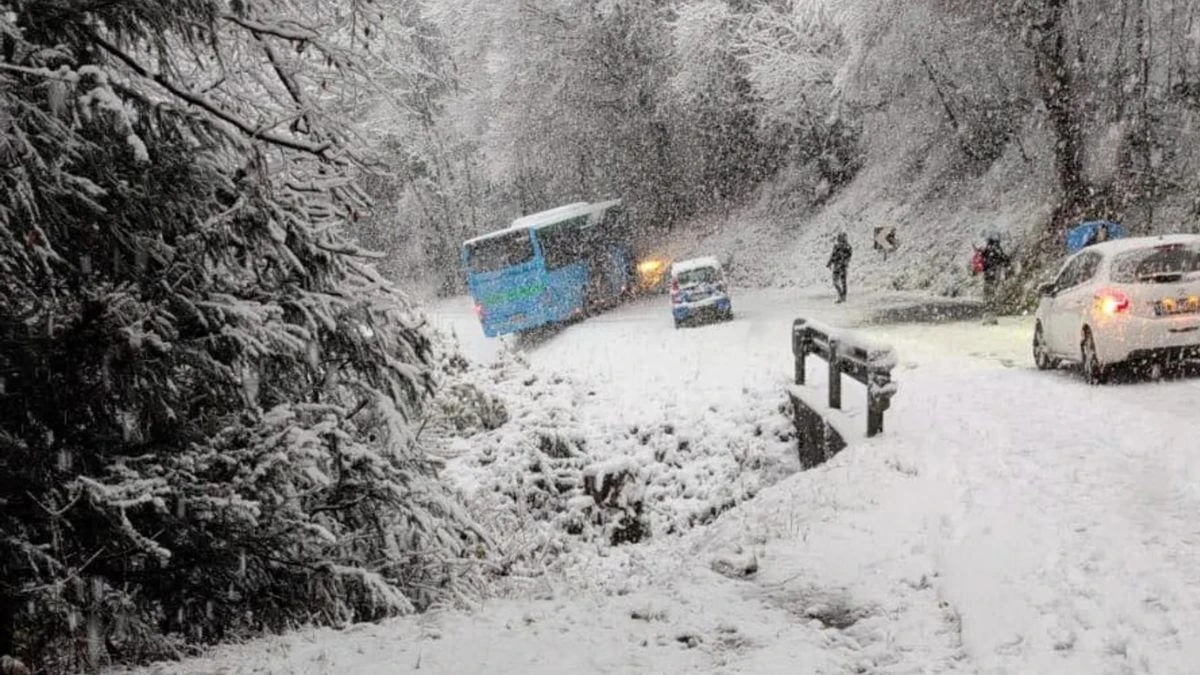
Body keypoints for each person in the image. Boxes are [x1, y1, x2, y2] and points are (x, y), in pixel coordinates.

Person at [979, 235, 1011, 324]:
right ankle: (992, 317)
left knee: (987, 296)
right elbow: (1005, 260)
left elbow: (982, 262)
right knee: (992, 296)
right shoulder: (997, 250)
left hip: (987, 277)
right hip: (994, 277)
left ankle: (986, 316)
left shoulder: (986, 250)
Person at [827, 233, 852, 303]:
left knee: (843, 282)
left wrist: (845, 262)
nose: (840, 240)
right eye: (839, 238)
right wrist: (830, 263)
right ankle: (841, 295)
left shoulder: (848, 247)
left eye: (841, 238)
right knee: (835, 282)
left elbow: (848, 257)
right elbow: (833, 255)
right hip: (836, 266)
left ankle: (843, 297)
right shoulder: (836, 246)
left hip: (843, 267)